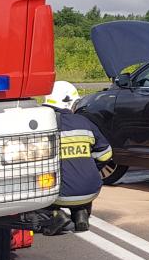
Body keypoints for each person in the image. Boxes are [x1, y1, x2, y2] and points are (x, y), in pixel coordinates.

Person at [42, 81, 113, 234]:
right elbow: (106, 154)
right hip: (91, 191)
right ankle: (81, 213)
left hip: (58, 195)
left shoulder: (41, 125)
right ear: (71, 103)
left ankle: (55, 215)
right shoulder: (84, 122)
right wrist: (89, 168)